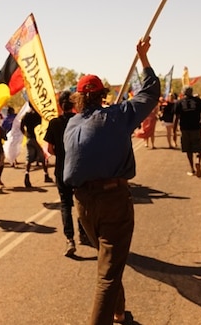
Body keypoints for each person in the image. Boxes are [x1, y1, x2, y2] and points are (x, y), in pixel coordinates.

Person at [63, 36, 160, 325]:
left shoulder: (72, 123)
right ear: (103, 94)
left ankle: (119, 310)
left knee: (108, 261)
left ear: (78, 98)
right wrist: (143, 57)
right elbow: (151, 92)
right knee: (107, 273)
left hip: (83, 205)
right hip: (112, 202)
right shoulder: (116, 116)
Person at [44, 90, 88, 257]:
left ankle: (69, 239)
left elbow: (49, 149)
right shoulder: (80, 121)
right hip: (79, 168)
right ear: (74, 104)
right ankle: (84, 233)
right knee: (82, 202)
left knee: (65, 205)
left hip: (62, 169)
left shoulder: (54, 123)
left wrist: (61, 154)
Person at [174, 86, 201, 177]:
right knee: (198, 147)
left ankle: (192, 169)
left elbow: (176, 117)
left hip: (185, 128)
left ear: (183, 92)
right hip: (196, 127)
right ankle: (198, 161)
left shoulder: (179, 102)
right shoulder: (198, 101)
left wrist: (174, 130)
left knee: (188, 149)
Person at [20, 108, 52, 187]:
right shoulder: (38, 115)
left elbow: (21, 127)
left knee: (28, 158)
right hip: (38, 139)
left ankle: (27, 174)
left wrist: (26, 134)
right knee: (43, 157)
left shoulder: (26, 115)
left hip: (29, 139)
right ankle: (46, 175)